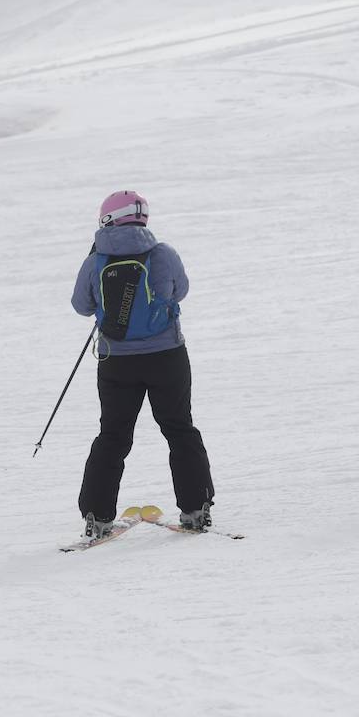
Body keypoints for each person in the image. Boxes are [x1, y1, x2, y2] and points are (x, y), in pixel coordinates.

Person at [71, 191, 215, 538]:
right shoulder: (162, 254)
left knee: (113, 435)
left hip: (116, 362)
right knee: (179, 428)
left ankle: (96, 515)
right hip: (167, 356)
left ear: (107, 219)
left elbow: (81, 305)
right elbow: (179, 292)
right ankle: (196, 509)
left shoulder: (96, 261)